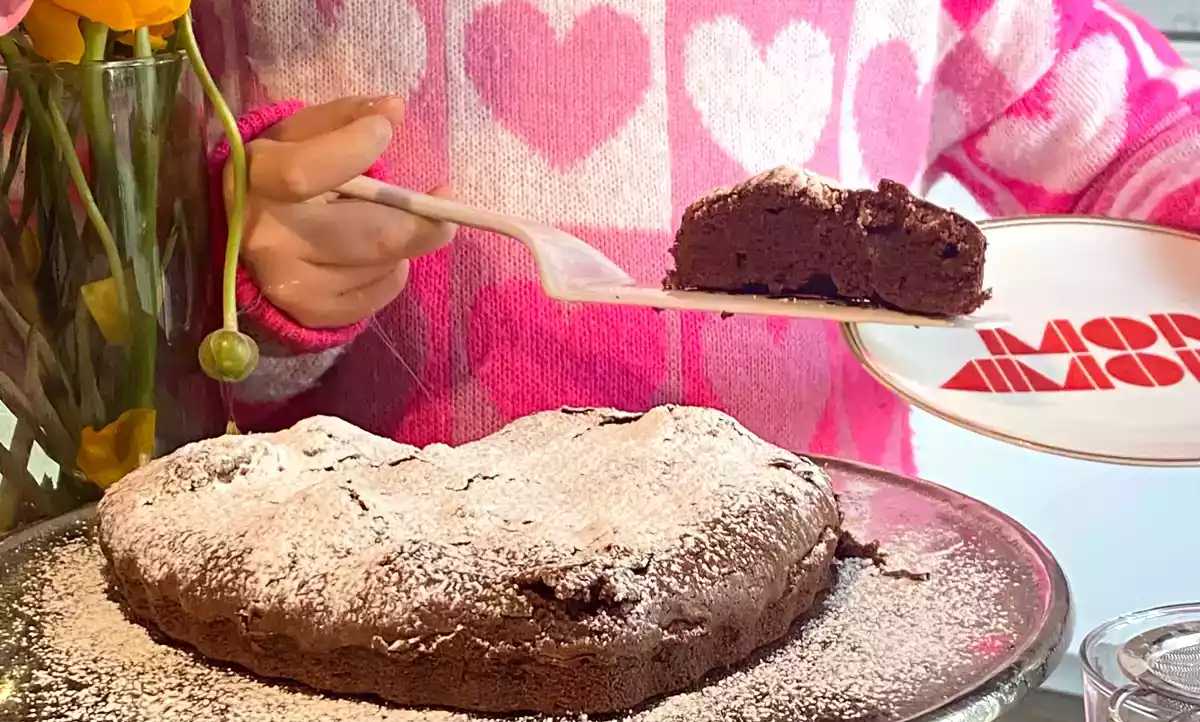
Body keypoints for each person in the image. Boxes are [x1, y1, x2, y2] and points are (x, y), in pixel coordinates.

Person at [194, 0, 1200, 472]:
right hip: (378, 621)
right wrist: (252, 285)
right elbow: (86, 289)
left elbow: (1146, 131)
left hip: (827, 637)